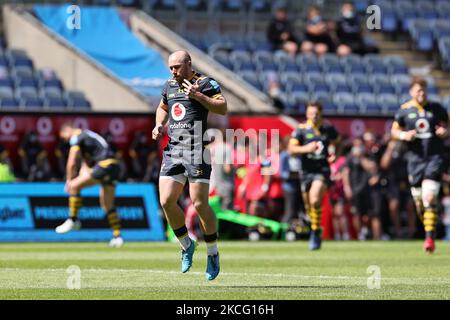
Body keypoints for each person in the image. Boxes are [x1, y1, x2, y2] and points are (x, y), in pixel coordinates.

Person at [152, 50, 227, 280]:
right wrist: (158, 125)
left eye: (177, 67)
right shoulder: (169, 85)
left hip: (197, 151)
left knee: (200, 203)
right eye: (170, 68)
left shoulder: (205, 83)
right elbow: (163, 107)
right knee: (166, 200)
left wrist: (199, 97)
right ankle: (186, 244)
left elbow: (222, 107)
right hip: (174, 150)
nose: (173, 71)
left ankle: (212, 253)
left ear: (188, 64)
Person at [391, 77, 449, 253]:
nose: (421, 93)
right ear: (411, 92)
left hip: (434, 158)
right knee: (420, 204)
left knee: (429, 196)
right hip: (415, 161)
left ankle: (429, 239)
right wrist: (403, 136)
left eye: (423, 90)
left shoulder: (437, 108)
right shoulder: (404, 111)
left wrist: (445, 132)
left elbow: (447, 126)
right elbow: (394, 130)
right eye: (418, 90)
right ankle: (431, 225)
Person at [55, 123, 124, 248]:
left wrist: (69, 180)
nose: (65, 141)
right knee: (107, 205)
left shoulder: (76, 137)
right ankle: (117, 236)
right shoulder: (88, 137)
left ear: (68, 131)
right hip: (114, 167)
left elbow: (71, 162)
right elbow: (85, 165)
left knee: (74, 186)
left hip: (104, 165)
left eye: (64, 138)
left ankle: (73, 220)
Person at [288, 101, 340, 250]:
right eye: (311, 113)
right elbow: (291, 149)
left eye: (316, 114)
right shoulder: (301, 129)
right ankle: (315, 227)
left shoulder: (328, 128)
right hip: (306, 171)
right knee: (309, 205)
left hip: (322, 170)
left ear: (321, 114)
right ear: (307, 114)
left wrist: (335, 154)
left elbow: (339, 142)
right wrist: (306, 148)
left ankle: (315, 232)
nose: (314, 116)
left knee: (315, 198)